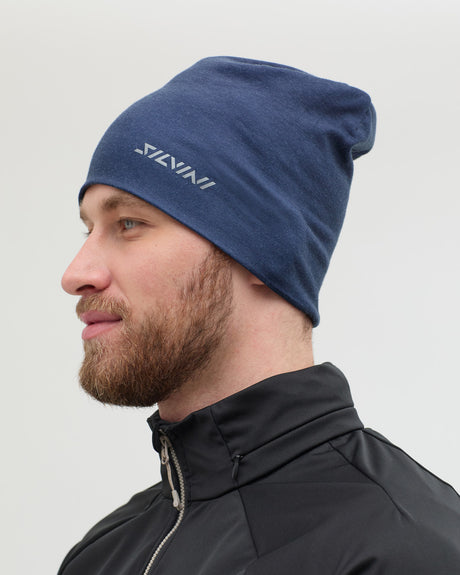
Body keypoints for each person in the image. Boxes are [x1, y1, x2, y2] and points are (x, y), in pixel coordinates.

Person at [58, 57, 460, 574]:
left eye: (129, 223)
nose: (76, 273)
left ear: (266, 251)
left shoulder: (403, 551)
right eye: (87, 228)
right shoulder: (101, 556)